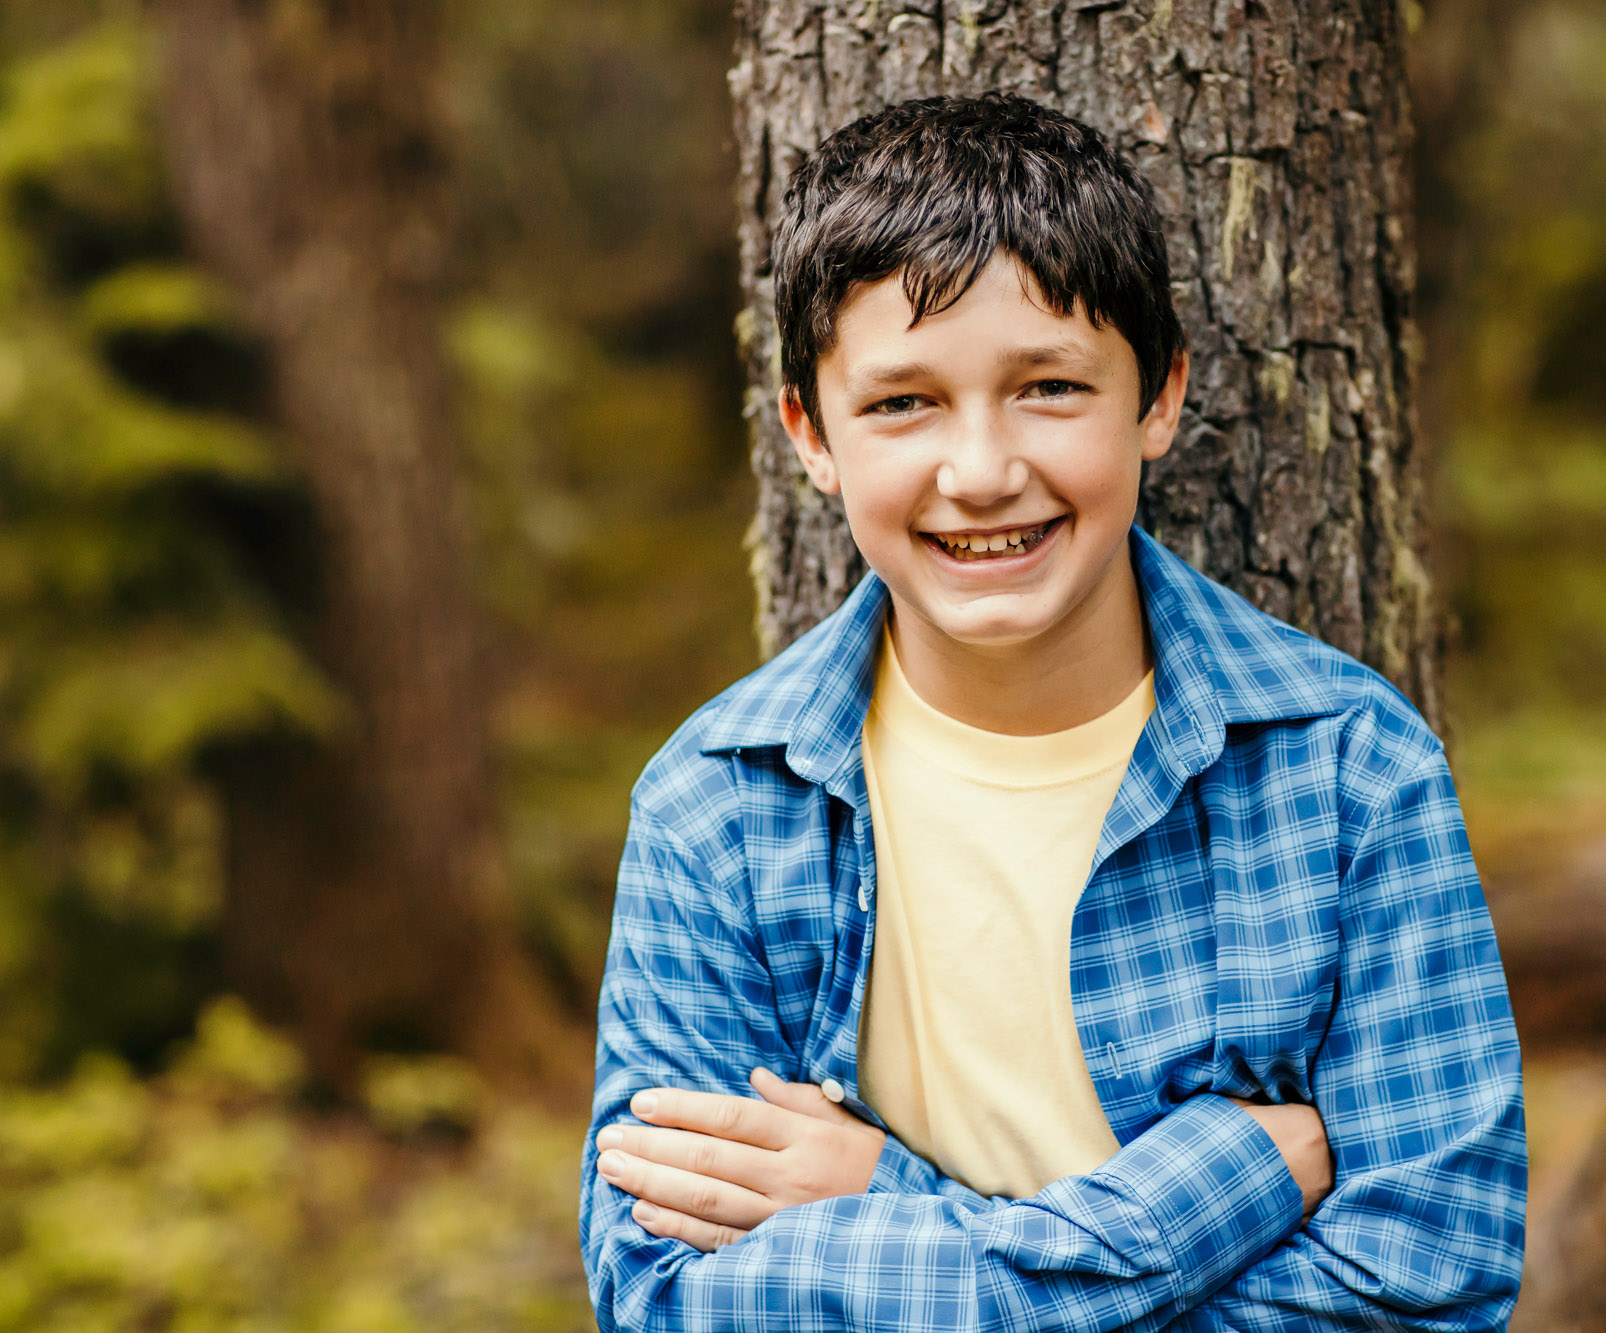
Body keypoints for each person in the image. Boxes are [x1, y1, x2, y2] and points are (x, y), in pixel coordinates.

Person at [579, 91, 1527, 1331]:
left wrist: (876, 1198)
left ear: (1157, 399)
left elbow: (1427, 1297)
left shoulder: (1347, 775)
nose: (979, 471)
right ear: (810, 434)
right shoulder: (715, 804)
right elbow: (663, 1302)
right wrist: (1221, 1186)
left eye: (1047, 388)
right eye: (902, 403)